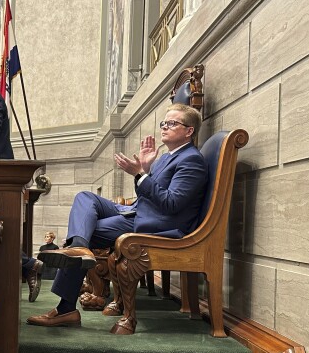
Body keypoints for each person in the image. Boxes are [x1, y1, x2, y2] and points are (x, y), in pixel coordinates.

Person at [27, 103, 208, 327]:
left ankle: (66, 309)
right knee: (85, 197)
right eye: (164, 122)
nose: (164, 127)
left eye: (172, 123)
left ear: (189, 131)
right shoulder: (167, 157)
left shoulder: (192, 160)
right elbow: (152, 193)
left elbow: (171, 204)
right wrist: (147, 169)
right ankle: (79, 247)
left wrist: (141, 174)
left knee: (87, 232)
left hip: (157, 225)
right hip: (137, 211)